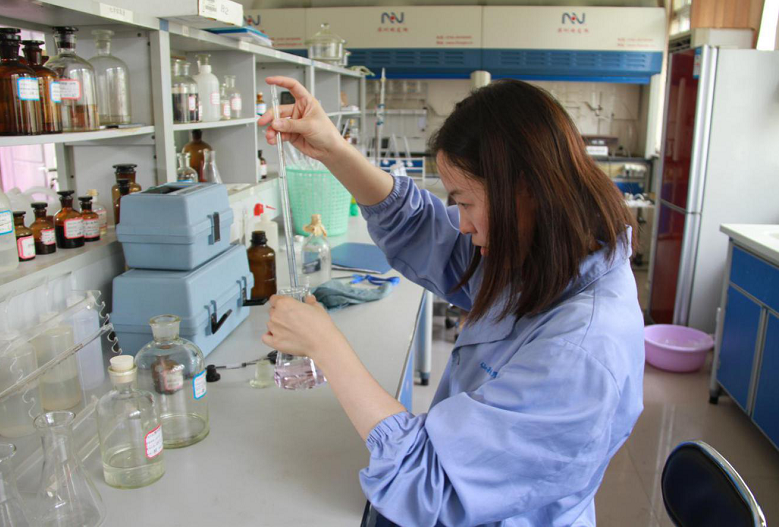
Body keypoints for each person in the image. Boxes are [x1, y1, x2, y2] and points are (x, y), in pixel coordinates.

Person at [258, 76, 644, 527]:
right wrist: (334, 151)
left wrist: (327, 346)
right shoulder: (545, 253)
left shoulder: (581, 351)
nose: (461, 224)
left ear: (525, 188)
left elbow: (430, 486)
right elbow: (424, 231)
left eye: (466, 203)